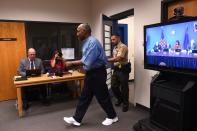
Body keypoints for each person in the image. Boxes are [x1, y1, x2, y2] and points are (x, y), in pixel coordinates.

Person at [63, 23, 118, 126]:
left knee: (103, 97)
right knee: (85, 96)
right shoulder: (87, 42)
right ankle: (77, 119)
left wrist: (71, 63)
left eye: (78, 31)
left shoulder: (93, 42)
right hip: (91, 73)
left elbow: (87, 61)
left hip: (98, 73)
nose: (77, 33)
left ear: (85, 31)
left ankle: (112, 116)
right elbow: (86, 62)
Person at [108, 33, 130, 112]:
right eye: (111, 39)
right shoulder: (115, 48)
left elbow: (118, 58)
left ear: (118, 38)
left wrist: (106, 60)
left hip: (123, 69)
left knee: (124, 88)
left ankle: (125, 104)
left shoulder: (123, 47)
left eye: (113, 39)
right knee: (113, 86)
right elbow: (114, 59)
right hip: (116, 69)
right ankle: (120, 99)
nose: (112, 41)